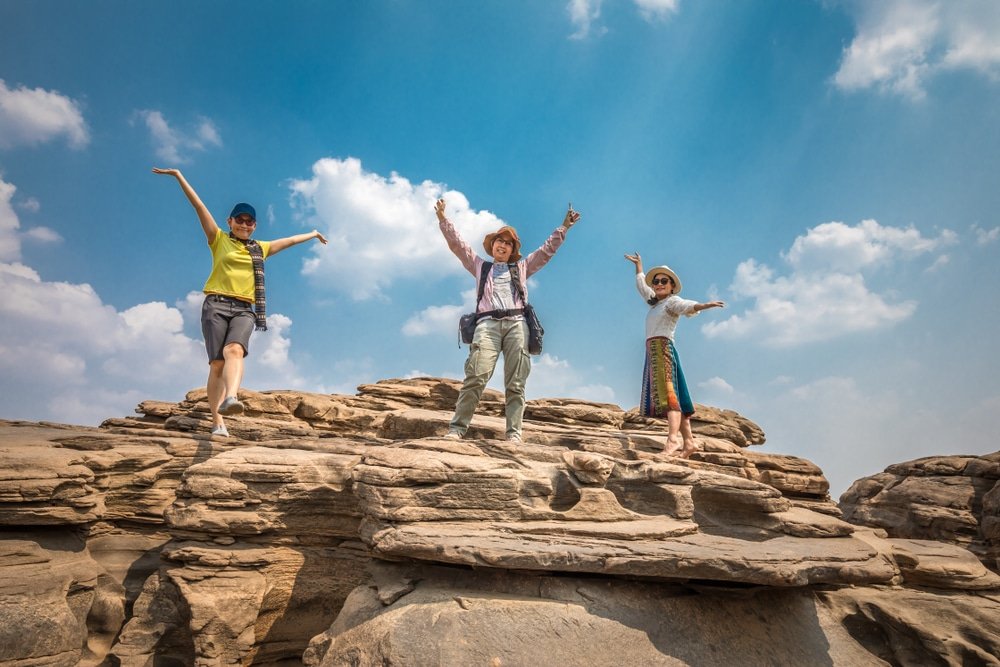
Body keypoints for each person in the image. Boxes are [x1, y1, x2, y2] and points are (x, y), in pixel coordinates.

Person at [153, 167, 328, 437]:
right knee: (217, 365)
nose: (244, 225)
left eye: (250, 222)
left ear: (254, 225)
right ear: (230, 221)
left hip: (245, 309)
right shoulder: (218, 239)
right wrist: (178, 176)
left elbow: (290, 240)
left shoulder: (261, 248)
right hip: (216, 305)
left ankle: (231, 397)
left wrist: (313, 233)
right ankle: (217, 422)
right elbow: (198, 206)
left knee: (234, 350)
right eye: (240, 220)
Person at [436, 198, 580, 442]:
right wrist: (443, 219)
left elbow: (546, 251)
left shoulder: (521, 268)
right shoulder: (480, 267)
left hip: (516, 324)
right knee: (476, 375)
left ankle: (514, 434)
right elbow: (458, 245)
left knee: (516, 382)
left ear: (513, 250)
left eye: (507, 243)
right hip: (487, 325)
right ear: (492, 246)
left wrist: (564, 227)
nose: (502, 245)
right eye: (499, 241)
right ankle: (457, 429)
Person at [624, 252, 724, 458]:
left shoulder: (671, 302)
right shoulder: (655, 303)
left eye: (664, 281)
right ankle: (689, 442)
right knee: (677, 398)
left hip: (662, 350)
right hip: (654, 350)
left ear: (671, 286)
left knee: (669, 396)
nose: (659, 284)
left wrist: (704, 305)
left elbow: (685, 306)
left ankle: (672, 440)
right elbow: (642, 287)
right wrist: (639, 267)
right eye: (656, 281)